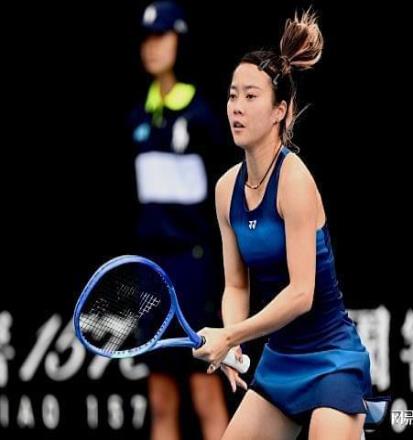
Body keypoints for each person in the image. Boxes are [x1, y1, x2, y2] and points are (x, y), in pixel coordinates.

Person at [193, 9, 388, 439]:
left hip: (331, 359)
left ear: (280, 110)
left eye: (250, 97)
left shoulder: (294, 181)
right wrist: (232, 345)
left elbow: (301, 294)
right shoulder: (226, 189)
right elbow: (236, 285)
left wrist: (230, 334)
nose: (236, 108)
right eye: (232, 96)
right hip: (281, 361)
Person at [128, 2, 229, 439]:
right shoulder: (136, 117)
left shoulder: (205, 115)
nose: (152, 47)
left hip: (195, 266)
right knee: (161, 397)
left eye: (162, 36)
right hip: (150, 269)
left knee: (205, 391)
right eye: (146, 38)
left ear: (180, 41)